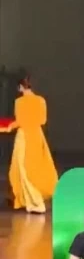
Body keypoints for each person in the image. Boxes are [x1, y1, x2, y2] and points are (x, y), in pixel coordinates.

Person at [0, 77, 58, 214]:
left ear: (21, 87)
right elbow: (42, 120)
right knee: (35, 167)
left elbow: (19, 121)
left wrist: (8, 127)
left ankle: (34, 202)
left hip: (24, 136)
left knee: (22, 168)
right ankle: (29, 201)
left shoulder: (19, 102)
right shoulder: (41, 100)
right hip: (37, 135)